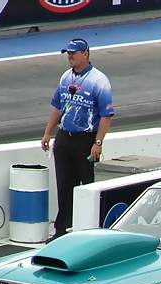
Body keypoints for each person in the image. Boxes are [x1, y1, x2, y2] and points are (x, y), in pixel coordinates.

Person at [41, 38, 114, 242]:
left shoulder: (99, 80)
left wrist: (98, 143)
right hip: (64, 137)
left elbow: (106, 115)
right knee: (64, 185)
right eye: (68, 53)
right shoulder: (65, 77)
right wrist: (47, 133)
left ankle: (89, 230)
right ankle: (61, 230)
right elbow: (57, 106)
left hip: (86, 139)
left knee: (87, 184)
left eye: (74, 53)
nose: (70, 57)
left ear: (85, 54)